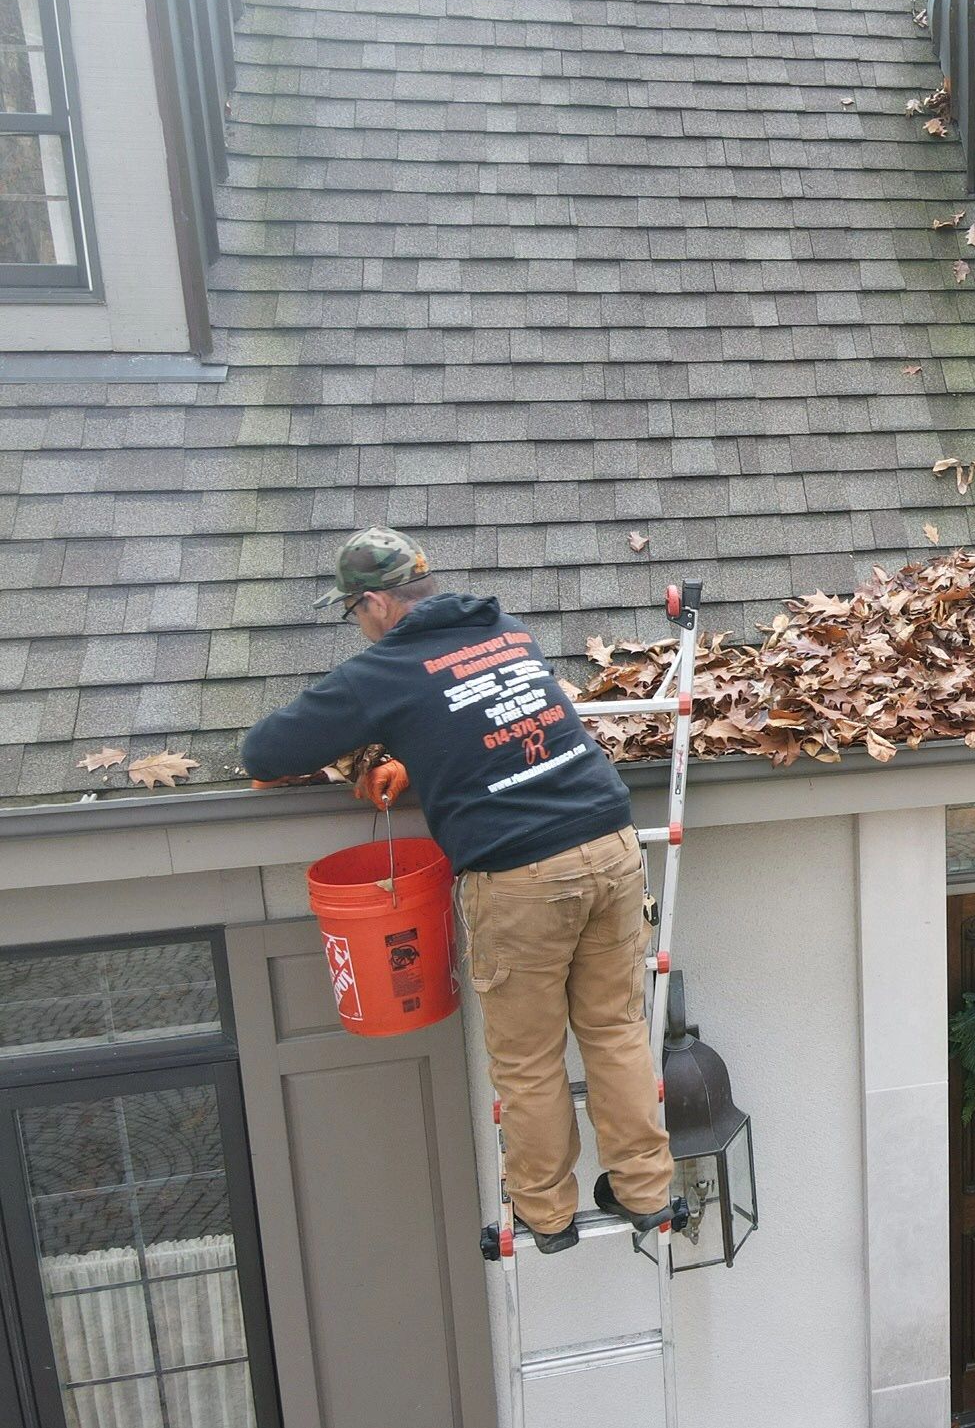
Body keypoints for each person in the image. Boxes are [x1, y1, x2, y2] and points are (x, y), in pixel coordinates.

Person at [243, 527, 676, 1253]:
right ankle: (646, 1190)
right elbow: (486, 718)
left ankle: (545, 1211)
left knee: (530, 1058)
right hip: (610, 846)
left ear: (378, 602)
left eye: (355, 610)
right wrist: (420, 761)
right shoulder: (502, 632)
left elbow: (265, 751)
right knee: (615, 1029)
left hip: (522, 876)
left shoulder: (384, 670)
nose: (359, 623)